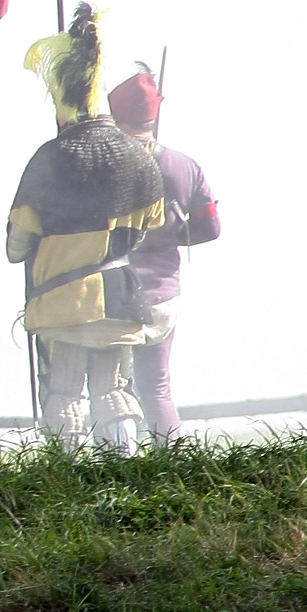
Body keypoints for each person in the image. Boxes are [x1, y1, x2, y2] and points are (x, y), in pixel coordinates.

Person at [9, 4, 165, 455]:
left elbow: (17, 247)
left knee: (64, 390)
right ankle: (125, 466)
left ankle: (66, 473)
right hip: (119, 294)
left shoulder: (49, 157)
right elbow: (147, 228)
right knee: (113, 389)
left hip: (61, 300)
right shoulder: (138, 157)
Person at [109, 65, 220, 444]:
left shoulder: (105, 164)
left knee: (112, 387)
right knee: (156, 387)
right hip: (163, 294)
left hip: (113, 293)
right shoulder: (184, 166)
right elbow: (210, 227)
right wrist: (170, 234)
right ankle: (170, 461)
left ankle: (119, 463)